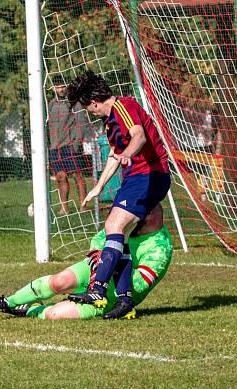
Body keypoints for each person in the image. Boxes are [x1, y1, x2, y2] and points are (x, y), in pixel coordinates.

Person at [65, 71, 171, 319]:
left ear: (93, 102)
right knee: (118, 233)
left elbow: (139, 136)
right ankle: (124, 301)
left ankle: (97, 289)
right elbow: (115, 154)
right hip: (135, 177)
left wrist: (130, 154)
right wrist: (99, 187)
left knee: (114, 224)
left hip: (150, 175)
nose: (90, 113)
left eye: (88, 109)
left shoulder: (124, 106)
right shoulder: (110, 121)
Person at [0, 205, 172, 320]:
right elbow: (100, 239)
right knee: (58, 281)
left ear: (152, 216)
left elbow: (139, 285)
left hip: (113, 294)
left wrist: (108, 273)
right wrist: (99, 257)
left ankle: (28, 310)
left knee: (56, 314)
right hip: (96, 271)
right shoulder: (128, 221)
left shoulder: (160, 248)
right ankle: (7, 301)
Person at [48, 77, 87, 215]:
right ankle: (64, 208)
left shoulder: (73, 102)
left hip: (70, 145)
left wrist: (76, 143)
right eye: (57, 87)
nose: (61, 89)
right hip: (55, 147)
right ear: (53, 88)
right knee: (60, 177)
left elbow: (81, 124)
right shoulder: (51, 104)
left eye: (63, 86)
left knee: (77, 175)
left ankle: (83, 205)